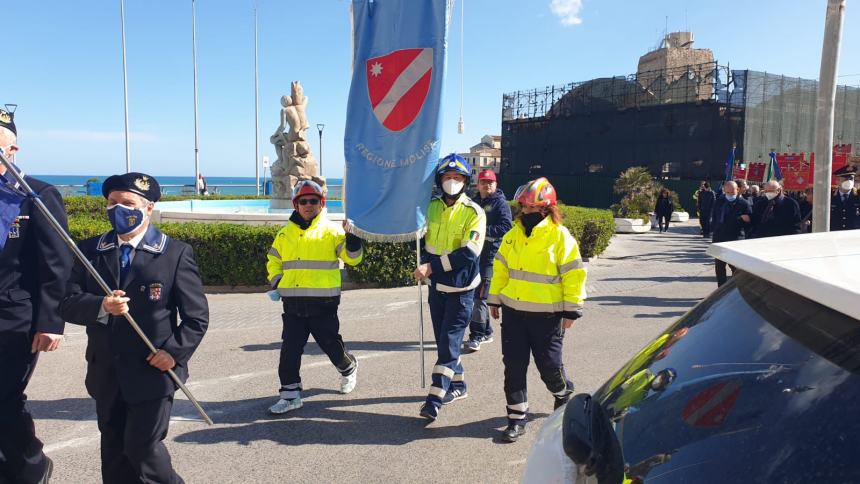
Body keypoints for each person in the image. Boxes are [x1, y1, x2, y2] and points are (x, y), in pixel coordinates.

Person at [60, 173, 209, 484]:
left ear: (148, 207)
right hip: (107, 372)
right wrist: (102, 305)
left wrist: (173, 353)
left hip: (154, 372)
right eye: (112, 203)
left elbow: (196, 317)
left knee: (142, 450)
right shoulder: (89, 251)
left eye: (127, 203)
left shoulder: (174, 254)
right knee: (114, 453)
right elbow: (68, 302)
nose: (118, 209)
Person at [0, 107, 73, 483]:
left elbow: (55, 265)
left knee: (4, 400)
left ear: (13, 149)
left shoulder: (35, 195)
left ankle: (30, 467)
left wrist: (50, 321)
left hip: (13, 319)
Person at [487, 177, 587, 443]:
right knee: (514, 367)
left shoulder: (560, 237)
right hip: (513, 314)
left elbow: (574, 275)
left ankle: (562, 394)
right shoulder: (513, 235)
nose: (527, 213)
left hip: (547, 316)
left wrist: (571, 310)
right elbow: (500, 270)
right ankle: (516, 419)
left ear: (547, 209)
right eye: (524, 208)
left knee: (549, 367)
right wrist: (494, 300)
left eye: (533, 209)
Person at [265, 180, 363, 414]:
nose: (308, 205)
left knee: (331, 346)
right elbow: (273, 260)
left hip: (323, 303)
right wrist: (277, 280)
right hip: (293, 304)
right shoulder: (284, 233)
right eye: (303, 201)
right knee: (289, 350)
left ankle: (348, 368)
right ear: (295, 204)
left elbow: (353, 258)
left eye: (313, 201)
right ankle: (290, 396)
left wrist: (353, 236)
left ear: (322, 203)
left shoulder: (332, 231)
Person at [413, 154, 486, 421]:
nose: (452, 182)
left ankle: (434, 400)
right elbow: (421, 241)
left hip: (462, 290)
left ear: (465, 181)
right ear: (439, 180)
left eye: (457, 178)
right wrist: (422, 263)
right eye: (447, 177)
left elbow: (469, 252)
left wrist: (431, 267)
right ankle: (458, 385)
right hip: (436, 289)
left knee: (448, 345)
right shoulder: (429, 207)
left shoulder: (474, 212)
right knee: (446, 343)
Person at [464, 169, 511, 353]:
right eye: (484, 182)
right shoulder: (472, 202)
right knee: (474, 296)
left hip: (490, 257)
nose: (487, 185)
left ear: (495, 184)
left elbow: (507, 226)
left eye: (490, 182)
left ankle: (476, 335)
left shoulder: (500, 203)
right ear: (478, 184)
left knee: (480, 297)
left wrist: (483, 232)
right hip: (472, 255)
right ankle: (486, 331)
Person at [710, 181, 752, 286]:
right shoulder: (719, 202)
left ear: (737, 190)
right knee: (719, 267)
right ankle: (721, 289)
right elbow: (715, 218)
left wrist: (746, 219)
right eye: (727, 192)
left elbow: (750, 221)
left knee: (735, 267)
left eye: (732, 192)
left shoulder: (744, 203)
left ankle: (736, 288)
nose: (729, 194)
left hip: (735, 239)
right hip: (719, 238)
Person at [830, 166, 859, 231]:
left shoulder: (858, 196)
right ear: (837, 181)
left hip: (854, 237)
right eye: (846, 179)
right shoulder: (830, 197)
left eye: (851, 179)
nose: (849, 181)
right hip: (834, 236)